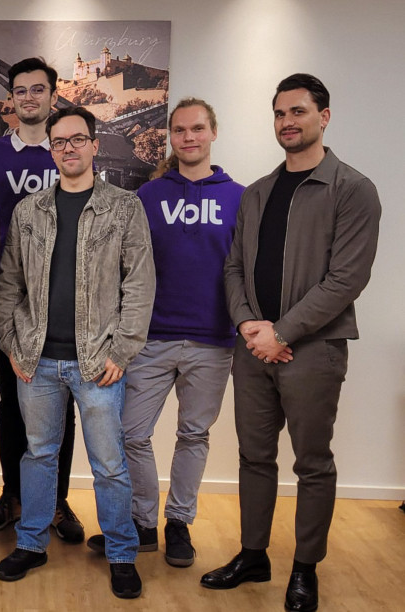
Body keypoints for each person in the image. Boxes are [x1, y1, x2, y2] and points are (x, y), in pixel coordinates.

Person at [201, 74, 381, 612]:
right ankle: (253, 554)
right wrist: (248, 328)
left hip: (314, 350)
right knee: (254, 458)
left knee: (312, 462)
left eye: (298, 112)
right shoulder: (257, 192)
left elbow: (346, 279)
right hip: (253, 349)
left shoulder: (353, 189)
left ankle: (305, 569)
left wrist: (281, 332)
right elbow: (233, 266)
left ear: (324, 117)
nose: (288, 123)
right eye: (280, 114)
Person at [0, 106, 155, 599]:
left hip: (98, 362)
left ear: (94, 144)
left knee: (108, 463)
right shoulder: (30, 211)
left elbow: (140, 285)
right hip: (38, 360)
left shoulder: (124, 208)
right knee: (39, 454)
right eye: (59, 142)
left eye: (77, 139)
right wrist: (12, 343)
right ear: (52, 149)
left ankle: (122, 552)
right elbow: (8, 287)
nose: (68, 148)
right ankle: (32, 543)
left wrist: (122, 351)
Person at [86, 98, 244, 565]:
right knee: (132, 433)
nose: (189, 137)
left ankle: (179, 524)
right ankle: (142, 523)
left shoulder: (239, 197)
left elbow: (245, 269)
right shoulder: (149, 197)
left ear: (213, 132)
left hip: (213, 341)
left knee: (193, 435)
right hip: (151, 338)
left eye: (197, 129)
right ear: (170, 137)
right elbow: (126, 267)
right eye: (180, 130)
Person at [0, 57, 84, 543]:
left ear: (52, 96)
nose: (29, 98)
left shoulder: (67, 154)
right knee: (11, 405)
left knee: (61, 407)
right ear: (12, 100)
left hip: (65, 302)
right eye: (20, 91)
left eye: (38, 90)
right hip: (10, 300)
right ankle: (13, 496)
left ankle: (56, 502)